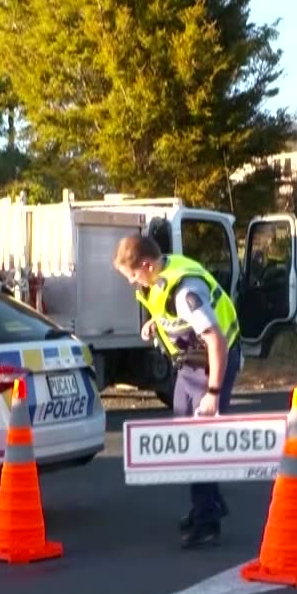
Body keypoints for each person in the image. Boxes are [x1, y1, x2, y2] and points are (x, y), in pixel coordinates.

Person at [114, 232, 243, 549]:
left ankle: (207, 521)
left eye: (132, 276)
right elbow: (165, 309)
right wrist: (155, 324)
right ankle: (208, 502)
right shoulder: (160, 277)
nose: (132, 283)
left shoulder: (186, 291)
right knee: (185, 436)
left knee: (199, 442)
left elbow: (216, 340)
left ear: (146, 266)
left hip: (212, 364)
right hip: (189, 364)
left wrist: (213, 391)